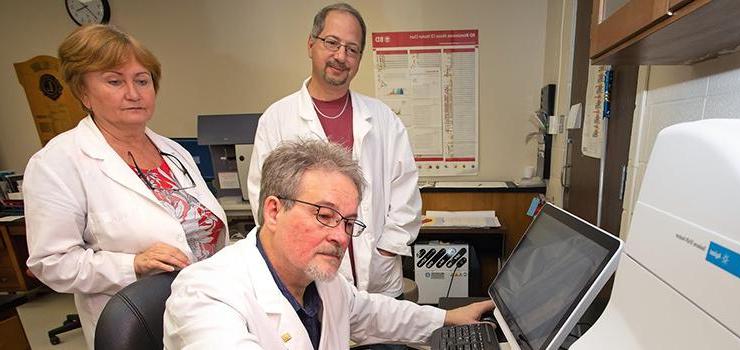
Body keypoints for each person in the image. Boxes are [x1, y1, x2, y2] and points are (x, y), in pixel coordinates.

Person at [164, 139, 492, 349]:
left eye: (349, 222)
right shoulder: (206, 291)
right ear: (274, 211)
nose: (340, 236)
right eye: (324, 215)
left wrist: (446, 319)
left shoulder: (321, 281)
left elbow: (371, 311)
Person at [23, 24, 227, 349]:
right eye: (115, 81)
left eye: (142, 80)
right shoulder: (57, 163)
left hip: (207, 312)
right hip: (141, 327)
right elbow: (51, 262)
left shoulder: (174, 152)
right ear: (83, 92)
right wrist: (131, 265)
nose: (133, 93)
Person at [247, 3, 419, 299]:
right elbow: (264, 202)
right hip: (309, 282)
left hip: (379, 282)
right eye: (332, 43)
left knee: (387, 342)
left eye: (352, 49)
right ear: (311, 44)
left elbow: (406, 191)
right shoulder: (278, 119)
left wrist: (386, 248)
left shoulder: (382, 118)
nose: (341, 56)